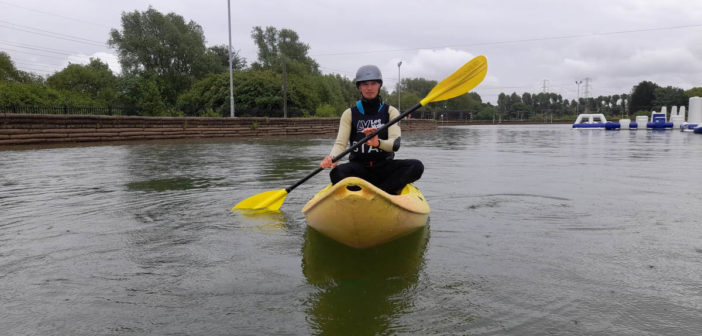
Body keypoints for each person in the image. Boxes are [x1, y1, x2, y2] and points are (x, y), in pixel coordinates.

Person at [319, 64, 424, 195]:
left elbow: (395, 145)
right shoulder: (349, 113)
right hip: (359, 168)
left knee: (416, 166)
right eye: (365, 84)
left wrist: (377, 143)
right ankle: (369, 193)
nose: (369, 88)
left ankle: (380, 192)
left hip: (384, 167)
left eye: (373, 83)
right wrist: (331, 158)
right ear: (359, 87)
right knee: (337, 173)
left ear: (379, 85)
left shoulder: (391, 111)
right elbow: (340, 144)